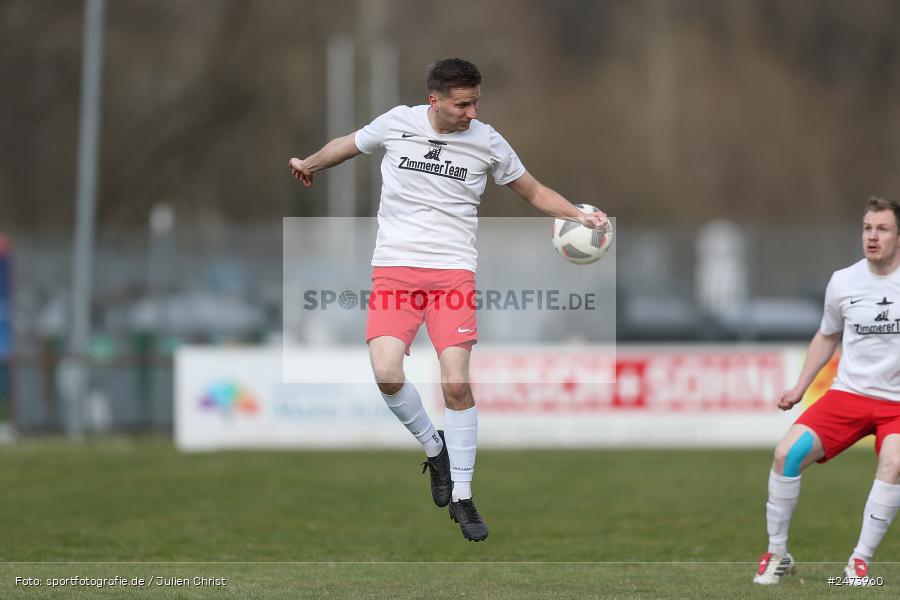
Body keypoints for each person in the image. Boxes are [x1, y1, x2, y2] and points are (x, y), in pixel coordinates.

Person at [288, 58, 607, 541]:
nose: (472, 113)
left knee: (456, 384)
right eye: (463, 104)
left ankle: (463, 494)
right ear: (434, 100)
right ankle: (433, 448)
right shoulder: (397, 122)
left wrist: (577, 216)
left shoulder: (488, 141)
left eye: (476, 102)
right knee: (386, 373)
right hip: (394, 272)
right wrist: (308, 164)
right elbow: (347, 145)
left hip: (452, 277)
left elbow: (533, 190)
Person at [754, 196, 900, 584]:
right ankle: (777, 553)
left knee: (894, 463)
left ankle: (859, 561)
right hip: (848, 395)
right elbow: (827, 334)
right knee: (786, 454)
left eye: (882, 229)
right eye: (867, 228)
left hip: (897, 406)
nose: (872, 236)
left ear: (898, 236)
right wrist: (800, 387)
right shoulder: (844, 281)